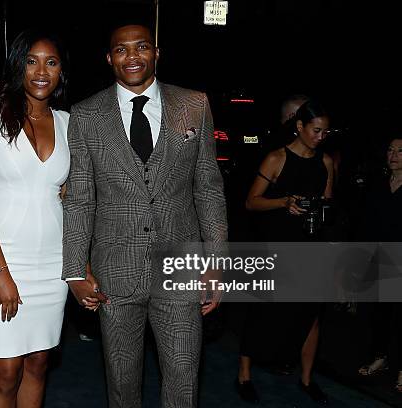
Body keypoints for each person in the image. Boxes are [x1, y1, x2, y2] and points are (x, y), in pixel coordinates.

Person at [62, 22, 227, 408]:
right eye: (121, 49)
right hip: (114, 270)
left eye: (141, 47)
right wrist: (74, 270)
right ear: (109, 58)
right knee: (121, 386)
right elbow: (81, 198)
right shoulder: (86, 115)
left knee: (184, 384)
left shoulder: (194, 104)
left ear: (156, 53)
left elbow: (208, 186)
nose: (132, 56)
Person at [0, 29, 70, 408]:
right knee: (6, 370)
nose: (41, 70)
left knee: (39, 363)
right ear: (18, 66)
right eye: (32, 61)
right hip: (3, 258)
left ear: (61, 71)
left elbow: (72, 196)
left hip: (53, 262)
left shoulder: (68, 124)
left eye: (52, 62)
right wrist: (0, 273)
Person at [238, 99, 334, 404]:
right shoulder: (276, 159)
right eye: (316, 131)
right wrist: (284, 202)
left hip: (310, 247)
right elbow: (251, 202)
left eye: (325, 132)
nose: (321, 137)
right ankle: (244, 375)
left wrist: (319, 214)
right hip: (276, 244)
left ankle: (306, 379)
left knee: (311, 314)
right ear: (299, 127)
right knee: (261, 310)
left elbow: (327, 205)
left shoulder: (326, 163)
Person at [356, 136, 402, 393]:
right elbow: (365, 225)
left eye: (400, 151)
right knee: (379, 315)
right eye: (390, 150)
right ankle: (380, 357)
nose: (393, 155)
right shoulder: (378, 185)